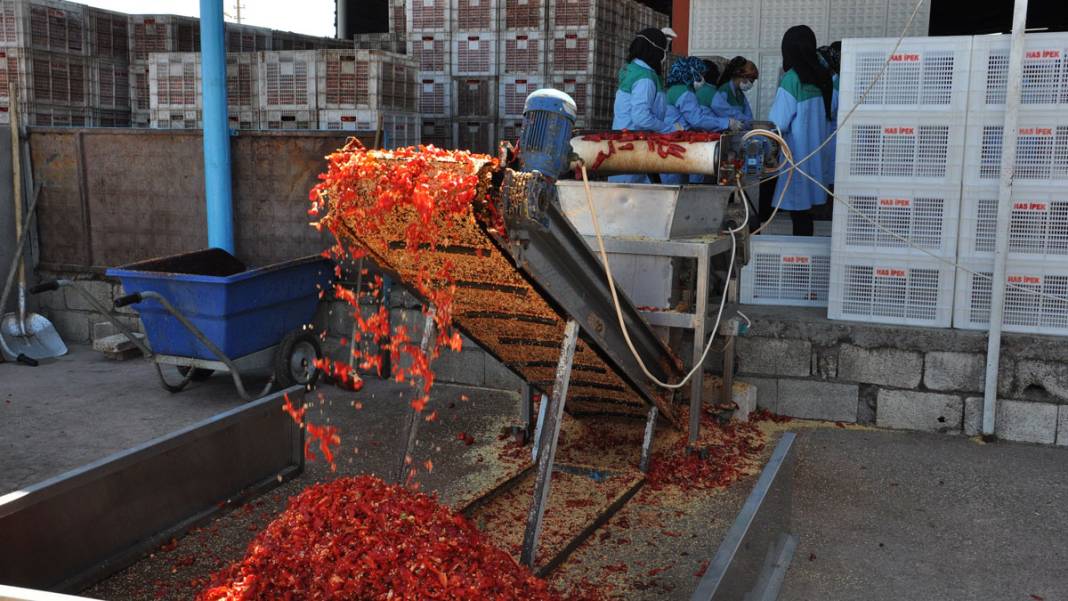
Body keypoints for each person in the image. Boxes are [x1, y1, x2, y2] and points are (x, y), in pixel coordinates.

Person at [766, 25, 837, 237]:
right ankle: (805, 259)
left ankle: (799, 264)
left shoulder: (792, 79)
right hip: (817, 157)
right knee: (807, 214)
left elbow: (778, 122)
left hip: (797, 157)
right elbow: (831, 111)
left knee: (799, 215)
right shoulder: (824, 78)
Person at [610, 28, 680, 183]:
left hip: (628, 142)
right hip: (633, 146)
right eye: (663, 51)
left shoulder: (632, 68)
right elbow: (640, 117)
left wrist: (659, 36)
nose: (664, 56)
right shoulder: (645, 79)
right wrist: (669, 129)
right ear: (655, 51)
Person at [661, 56, 734, 184]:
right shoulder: (683, 91)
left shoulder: (676, 89)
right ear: (691, 72)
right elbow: (697, 119)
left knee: (677, 183)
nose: (702, 79)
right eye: (699, 74)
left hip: (673, 141)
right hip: (676, 142)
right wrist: (726, 123)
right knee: (682, 185)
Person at [711, 56, 758, 125]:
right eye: (750, 81)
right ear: (743, 76)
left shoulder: (740, 94)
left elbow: (748, 115)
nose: (751, 84)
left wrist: (751, 125)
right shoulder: (724, 91)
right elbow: (726, 113)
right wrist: (747, 122)